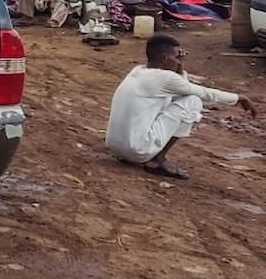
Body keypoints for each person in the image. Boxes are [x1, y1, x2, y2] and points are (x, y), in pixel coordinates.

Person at [106, 34, 255, 180]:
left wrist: (179, 65)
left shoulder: (138, 71)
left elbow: (180, 88)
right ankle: (158, 159)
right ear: (164, 58)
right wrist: (238, 98)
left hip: (114, 145)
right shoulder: (166, 79)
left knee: (174, 98)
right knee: (193, 101)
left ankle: (147, 154)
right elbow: (203, 93)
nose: (178, 61)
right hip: (137, 150)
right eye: (177, 57)